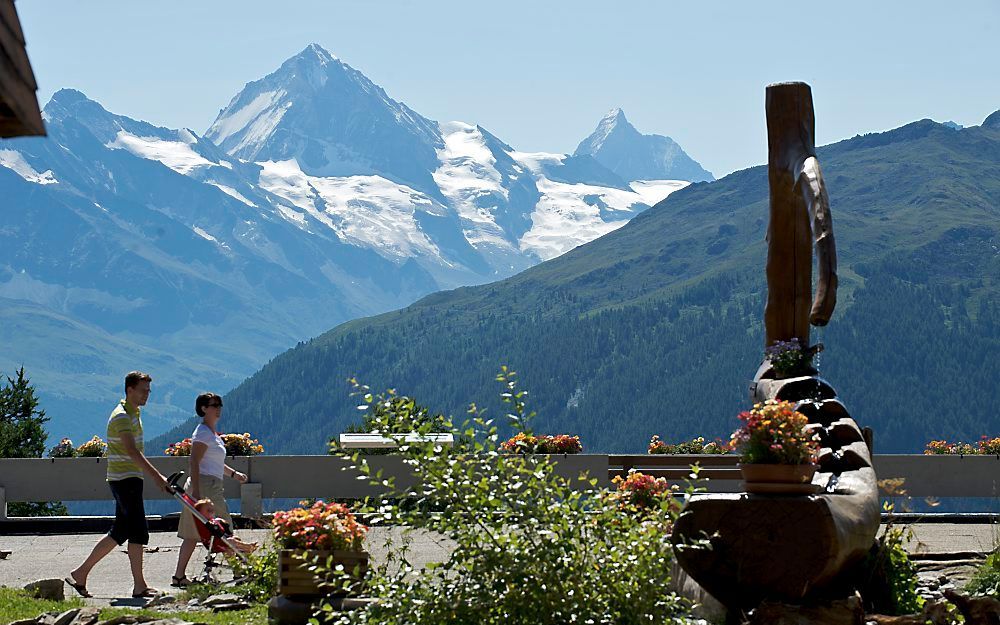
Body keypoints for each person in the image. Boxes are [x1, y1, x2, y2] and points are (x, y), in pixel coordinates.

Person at [65, 371, 169, 599]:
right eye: (143, 390)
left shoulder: (134, 413)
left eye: (149, 391)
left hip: (127, 478)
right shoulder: (121, 416)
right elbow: (132, 451)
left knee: (121, 531)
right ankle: (139, 586)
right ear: (129, 390)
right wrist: (157, 476)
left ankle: (80, 574)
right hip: (125, 479)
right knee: (139, 531)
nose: (147, 395)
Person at [171, 392, 248, 587]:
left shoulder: (211, 434)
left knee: (193, 532)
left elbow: (213, 462)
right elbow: (194, 461)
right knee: (224, 528)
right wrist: (196, 491)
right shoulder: (203, 433)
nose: (218, 409)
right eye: (214, 405)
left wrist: (233, 474)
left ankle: (179, 576)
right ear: (204, 409)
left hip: (208, 484)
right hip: (206, 487)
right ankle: (241, 571)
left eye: (219, 405)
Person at [193, 498, 258, 555]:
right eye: (208, 510)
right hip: (215, 543)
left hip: (220, 540)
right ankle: (249, 547)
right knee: (232, 541)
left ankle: (241, 555)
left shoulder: (209, 520)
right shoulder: (204, 523)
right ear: (200, 513)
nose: (212, 512)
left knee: (236, 539)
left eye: (212, 510)